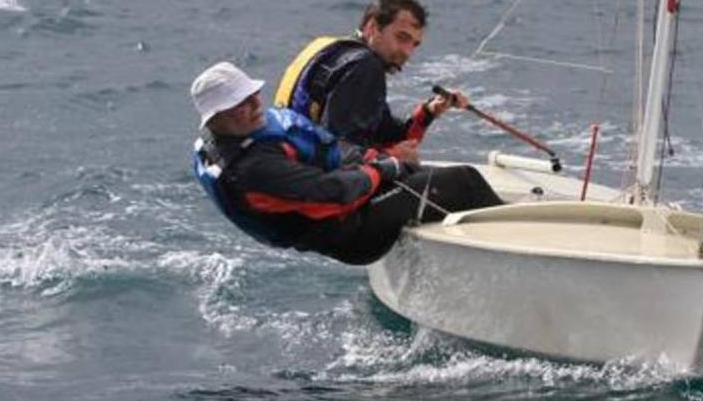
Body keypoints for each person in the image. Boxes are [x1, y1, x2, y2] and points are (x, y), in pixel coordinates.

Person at [191, 61, 503, 265]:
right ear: (217, 117)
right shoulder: (252, 167)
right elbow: (333, 190)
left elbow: (330, 148)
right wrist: (384, 168)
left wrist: (377, 160)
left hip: (351, 209)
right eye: (241, 103)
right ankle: (510, 246)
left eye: (253, 94)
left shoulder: (245, 130)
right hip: (353, 234)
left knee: (424, 177)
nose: (256, 104)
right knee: (464, 181)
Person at [274, 0, 465, 163]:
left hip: (290, 170)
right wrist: (391, 156)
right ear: (372, 27)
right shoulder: (364, 66)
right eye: (402, 38)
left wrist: (429, 111)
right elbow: (341, 154)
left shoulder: (333, 51)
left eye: (414, 44)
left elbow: (383, 134)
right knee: (465, 180)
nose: (407, 52)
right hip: (317, 188)